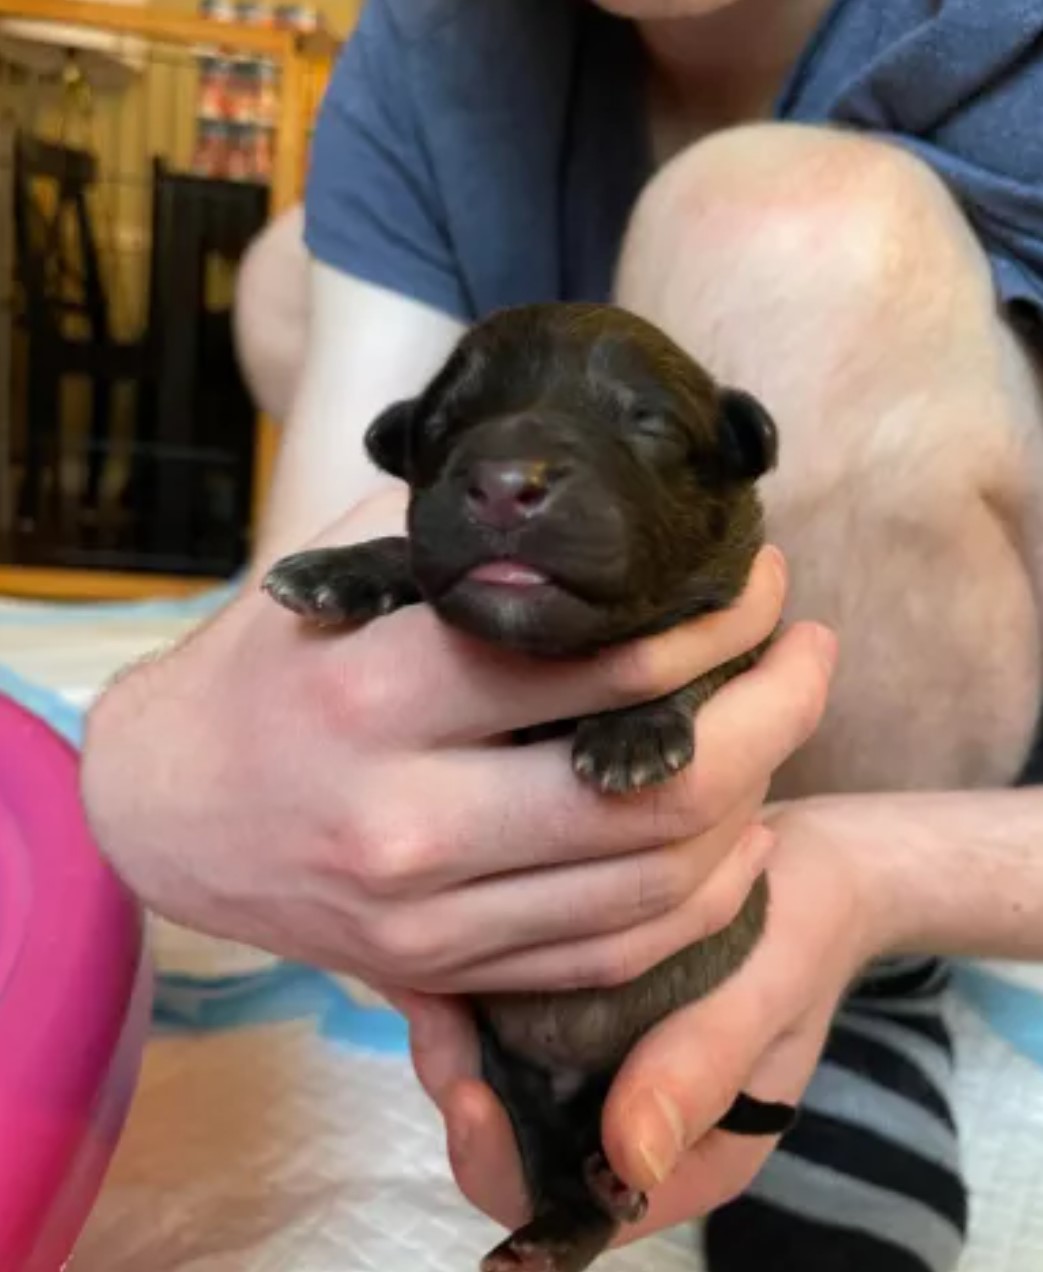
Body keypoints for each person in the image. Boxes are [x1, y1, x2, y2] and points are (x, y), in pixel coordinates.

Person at [82, 1, 1043, 1269]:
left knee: (778, 234)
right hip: (560, 649)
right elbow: (305, 603)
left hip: (969, 707)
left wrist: (873, 878)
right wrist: (174, 758)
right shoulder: (429, 47)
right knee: (280, 276)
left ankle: (876, 993)